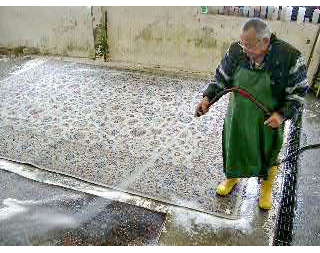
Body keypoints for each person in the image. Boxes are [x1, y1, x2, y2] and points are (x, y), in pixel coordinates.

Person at [195, 18, 309, 210]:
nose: (244, 49)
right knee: (234, 147)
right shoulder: (236, 51)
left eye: (249, 46)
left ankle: (265, 188)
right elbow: (221, 77)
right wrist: (207, 99)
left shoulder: (290, 57)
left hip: (268, 119)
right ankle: (232, 178)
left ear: (265, 41)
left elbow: (298, 94)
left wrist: (281, 115)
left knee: (268, 152)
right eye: (242, 44)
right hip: (238, 115)